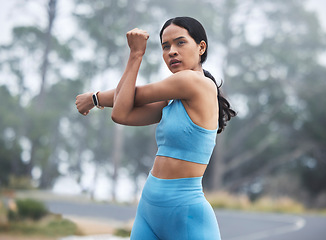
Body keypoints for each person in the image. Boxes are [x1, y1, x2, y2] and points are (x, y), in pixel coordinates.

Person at [76, 16, 236, 240]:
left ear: (201, 47)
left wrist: (134, 56)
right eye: (165, 46)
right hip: (149, 208)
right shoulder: (172, 99)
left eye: (180, 43)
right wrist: (96, 99)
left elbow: (134, 95)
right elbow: (121, 113)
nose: (171, 51)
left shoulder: (194, 83)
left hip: (186, 213)